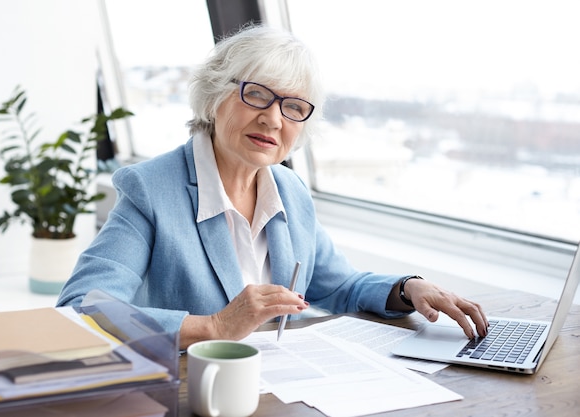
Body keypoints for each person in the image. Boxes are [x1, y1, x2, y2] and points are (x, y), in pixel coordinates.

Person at [56, 24, 488, 349]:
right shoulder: (151, 189)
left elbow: (337, 287)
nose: (274, 119)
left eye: (293, 106)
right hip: (189, 391)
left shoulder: (290, 190)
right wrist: (214, 327)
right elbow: (83, 308)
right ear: (214, 96)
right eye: (257, 95)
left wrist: (408, 288)